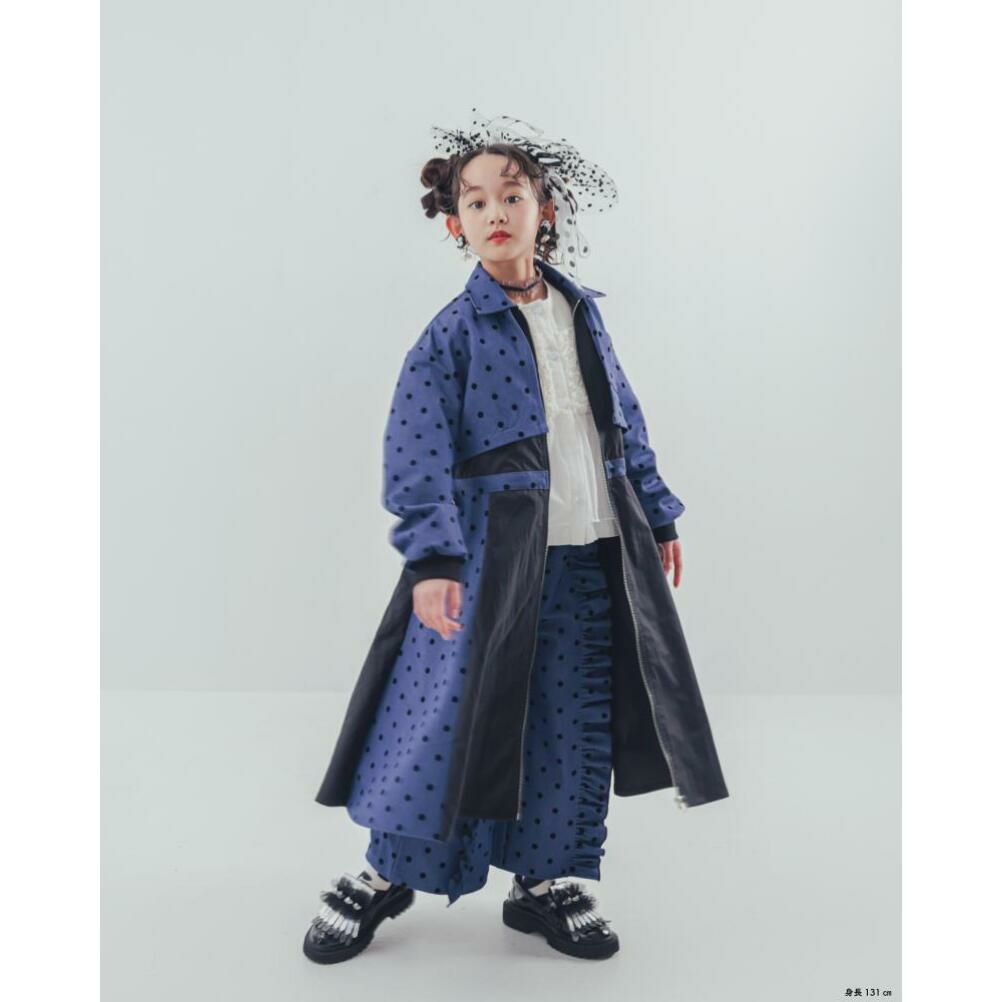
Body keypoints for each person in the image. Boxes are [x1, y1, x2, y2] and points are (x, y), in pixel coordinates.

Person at [302, 110, 729, 965]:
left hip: (586, 551)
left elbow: (622, 419)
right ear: (454, 225)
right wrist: (433, 559)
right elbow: (415, 451)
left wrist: (657, 510)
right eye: (475, 201)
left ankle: (544, 879)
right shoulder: (452, 335)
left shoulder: (582, 313)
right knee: (444, 718)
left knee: (570, 714)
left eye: (512, 195)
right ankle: (388, 870)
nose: (495, 212)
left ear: (546, 210)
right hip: (486, 562)